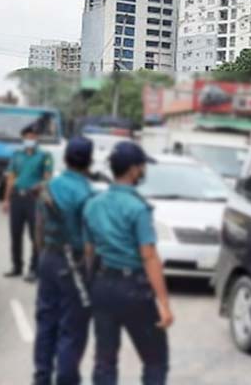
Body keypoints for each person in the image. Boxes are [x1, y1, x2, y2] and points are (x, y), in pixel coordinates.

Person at [83, 142, 173, 385]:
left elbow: (89, 251)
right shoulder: (138, 208)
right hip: (133, 289)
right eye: (143, 166)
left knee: (105, 360)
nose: (144, 171)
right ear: (133, 170)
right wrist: (163, 303)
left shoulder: (93, 204)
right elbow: (149, 256)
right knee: (155, 359)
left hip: (102, 286)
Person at [33, 137, 94, 385]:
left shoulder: (49, 186)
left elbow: (38, 227)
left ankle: (41, 378)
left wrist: (43, 257)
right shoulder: (88, 194)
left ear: (66, 158)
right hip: (75, 264)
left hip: (49, 257)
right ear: (89, 162)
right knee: (72, 330)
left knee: (46, 323)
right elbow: (90, 244)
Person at [3, 125, 54, 282]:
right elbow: (11, 177)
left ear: (37, 138)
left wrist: (40, 188)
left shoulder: (45, 156)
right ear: (23, 138)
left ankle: (34, 268)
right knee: (15, 233)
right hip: (18, 198)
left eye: (32, 137)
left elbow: (47, 178)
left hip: (34, 199)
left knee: (35, 235)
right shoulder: (17, 155)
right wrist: (6, 199)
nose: (29, 140)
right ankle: (17, 266)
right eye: (27, 137)